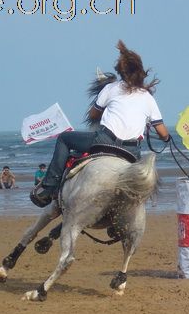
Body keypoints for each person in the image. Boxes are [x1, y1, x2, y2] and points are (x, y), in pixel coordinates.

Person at [36, 40, 171, 202]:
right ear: (140, 72)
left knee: (64, 138)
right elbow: (162, 132)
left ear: (121, 72)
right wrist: (166, 138)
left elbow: (93, 115)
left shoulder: (110, 88)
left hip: (105, 141)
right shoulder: (147, 97)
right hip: (131, 150)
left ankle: (50, 186)